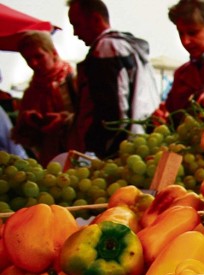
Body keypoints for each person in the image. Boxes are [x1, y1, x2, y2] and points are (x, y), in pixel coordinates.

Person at [67, 0, 160, 158]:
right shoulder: (129, 46)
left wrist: (97, 149)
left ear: (96, 19)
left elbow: (111, 111)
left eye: (77, 25)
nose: (75, 33)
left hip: (117, 149)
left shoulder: (106, 49)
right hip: (137, 142)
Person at [12, 31, 75, 165]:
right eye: (28, 59)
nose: (33, 63)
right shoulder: (31, 91)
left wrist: (64, 120)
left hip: (78, 155)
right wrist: (27, 122)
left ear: (53, 52)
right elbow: (22, 139)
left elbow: (92, 117)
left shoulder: (74, 78)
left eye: (39, 56)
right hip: (50, 160)